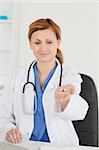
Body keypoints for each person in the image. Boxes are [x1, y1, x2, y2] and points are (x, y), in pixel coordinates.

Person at [0, 18, 88, 146]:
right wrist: (9, 130)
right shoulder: (19, 76)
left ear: (58, 42)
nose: (43, 48)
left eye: (49, 42)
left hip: (60, 145)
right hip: (25, 144)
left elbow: (81, 112)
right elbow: (3, 115)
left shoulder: (68, 75)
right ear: (30, 44)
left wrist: (66, 101)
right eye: (37, 42)